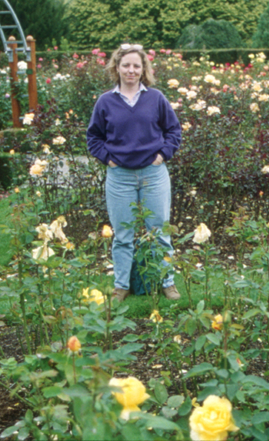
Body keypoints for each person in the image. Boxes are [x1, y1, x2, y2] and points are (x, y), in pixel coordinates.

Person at [87, 43, 181, 302]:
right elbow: (93, 137)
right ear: (117, 68)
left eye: (136, 66)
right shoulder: (105, 101)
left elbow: (174, 131)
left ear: (143, 70)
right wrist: (108, 159)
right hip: (120, 178)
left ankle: (167, 282)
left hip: (153, 174)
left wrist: (162, 155)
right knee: (123, 235)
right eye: (126, 65)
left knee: (159, 232)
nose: (131, 70)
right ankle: (121, 286)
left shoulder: (156, 98)